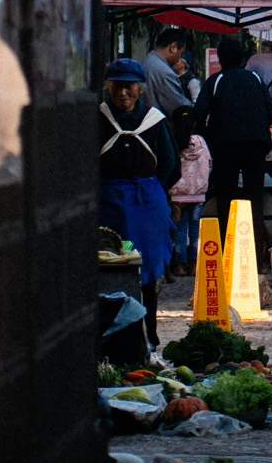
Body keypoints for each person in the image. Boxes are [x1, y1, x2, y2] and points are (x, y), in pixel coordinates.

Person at [97, 58, 178, 348]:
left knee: (147, 271)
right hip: (108, 204)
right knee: (109, 269)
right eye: (117, 87)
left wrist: (153, 190)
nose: (122, 94)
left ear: (139, 89)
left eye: (129, 87)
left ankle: (150, 335)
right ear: (108, 88)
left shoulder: (154, 121)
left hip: (146, 206)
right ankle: (114, 337)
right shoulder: (99, 118)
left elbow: (169, 164)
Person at [197, 37, 272, 271]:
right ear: (243, 58)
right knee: (255, 201)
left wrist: (208, 137)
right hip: (255, 145)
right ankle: (257, 261)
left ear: (219, 59)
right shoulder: (256, 78)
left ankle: (225, 258)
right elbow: (269, 111)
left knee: (225, 201)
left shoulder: (215, 80)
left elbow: (199, 113)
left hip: (224, 147)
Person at [167, 132, 211, 280]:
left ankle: (180, 266)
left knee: (179, 231)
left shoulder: (175, 140)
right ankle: (194, 265)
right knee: (195, 230)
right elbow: (209, 163)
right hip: (198, 193)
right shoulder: (201, 141)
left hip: (178, 193)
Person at [141, 26, 193, 117]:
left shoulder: (146, 62)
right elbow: (178, 105)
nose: (179, 58)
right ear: (173, 47)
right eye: (181, 53)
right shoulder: (164, 72)